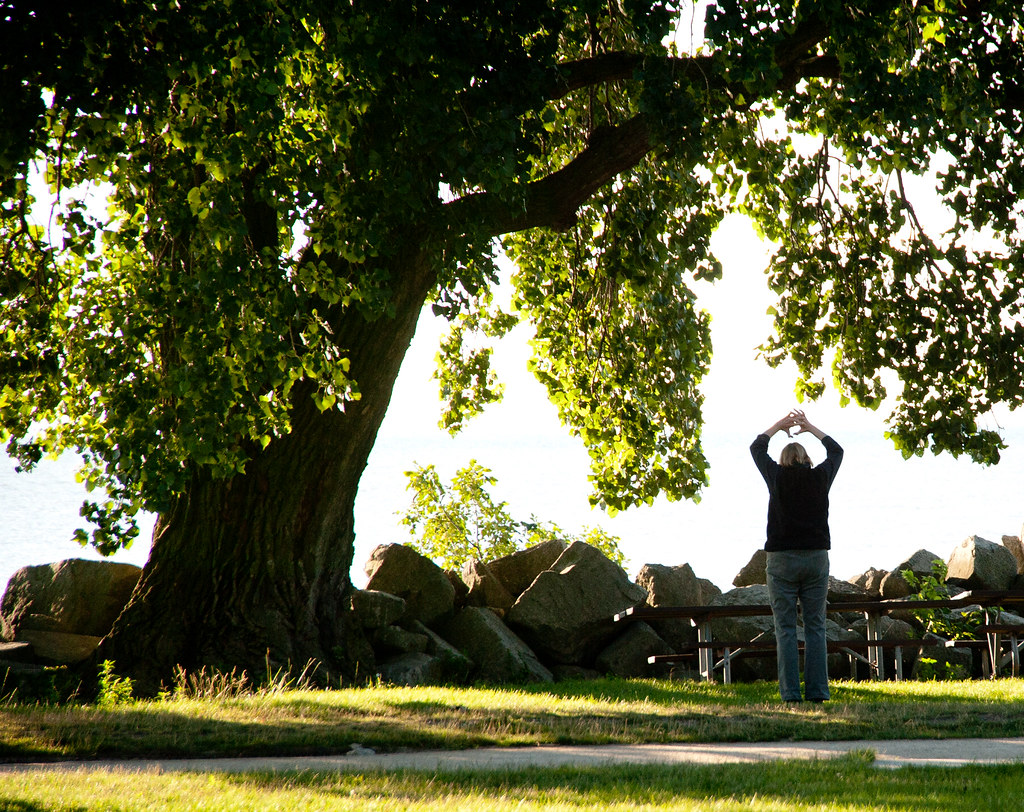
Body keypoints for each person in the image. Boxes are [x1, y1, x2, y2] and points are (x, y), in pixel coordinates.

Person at [750, 410, 843, 704]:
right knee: (816, 627)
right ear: (806, 459)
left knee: (786, 629)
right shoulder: (820, 477)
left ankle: (790, 695)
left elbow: (757, 447)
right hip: (816, 558)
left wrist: (780, 426)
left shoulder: (776, 476)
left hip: (782, 561)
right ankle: (817, 693)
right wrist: (809, 427)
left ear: (782, 461)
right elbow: (836, 450)